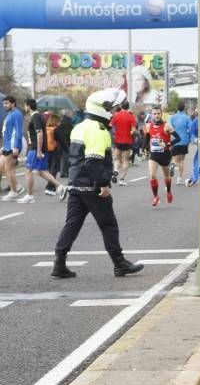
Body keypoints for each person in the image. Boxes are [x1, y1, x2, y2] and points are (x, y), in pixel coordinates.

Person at [51, 89, 144, 279]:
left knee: (72, 225)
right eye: (111, 108)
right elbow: (93, 161)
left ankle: (59, 264)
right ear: (101, 109)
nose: (113, 112)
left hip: (76, 184)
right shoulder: (99, 131)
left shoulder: (80, 126)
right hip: (92, 186)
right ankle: (119, 264)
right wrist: (103, 184)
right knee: (109, 224)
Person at [16, 99, 63, 204]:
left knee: (28, 171)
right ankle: (60, 187)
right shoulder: (38, 116)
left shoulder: (36, 116)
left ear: (28, 106)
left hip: (36, 148)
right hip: (38, 148)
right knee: (40, 171)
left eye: (25, 106)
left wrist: (38, 150)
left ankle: (29, 196)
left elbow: (40, 133)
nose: (25, 107)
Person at [144, 105, 178, 207]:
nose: (157, 115)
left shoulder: (167, 126)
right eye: (154, 114)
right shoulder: (148, 126)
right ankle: (156, 197)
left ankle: (168, 191)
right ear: (151, 115)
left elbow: (178, 138)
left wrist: (167, 144)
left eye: (158, 113)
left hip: (165, 154)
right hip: (154, 154)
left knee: (166, 176)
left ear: (161, 114)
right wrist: (144, 150)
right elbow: (146, 139)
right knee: (152, 175)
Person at [1, 96, 25, 201]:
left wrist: (15, 146)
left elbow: (19, 132)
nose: (5, 105)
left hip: (12, 146)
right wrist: (3, 147)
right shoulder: (9, 114)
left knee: (9, 169)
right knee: (6, 169)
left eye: (7, 103)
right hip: (7, 145)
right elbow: (7, 131)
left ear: (13, 103)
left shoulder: (17, 114)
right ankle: (15, 188)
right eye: (4, 103)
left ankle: (14, 191)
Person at [110, 101, 137, 185]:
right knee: (125, 160)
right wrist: (132, 133)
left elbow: (110, 125)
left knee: (117, 158)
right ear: (128, 107)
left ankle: (115, 170)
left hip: (117, 141)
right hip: (128, 141)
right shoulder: (131, 117)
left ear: (121, 106)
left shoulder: (116, 116)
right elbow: (133, 130)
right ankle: (121, 180)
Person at [169, 101, 192, 185]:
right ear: (184, 108)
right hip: (184, 141)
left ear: (177, 108)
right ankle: (179, 178)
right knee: (182, 160)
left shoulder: (172, 117)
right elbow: (190, 129)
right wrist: (190, 139)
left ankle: (173, 164)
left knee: (175, 159)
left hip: (175, 140)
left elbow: (169, 129)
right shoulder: (187, 118)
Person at [43, 112, 65, 195]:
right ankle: (49, 187)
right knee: (54, 169)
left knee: (49, 170)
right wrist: (68, 150)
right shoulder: (56, 129)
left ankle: (51, 187)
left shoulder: (46, 128)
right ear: (56, 121)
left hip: (46, 151)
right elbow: (62, 141)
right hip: (55, 151)